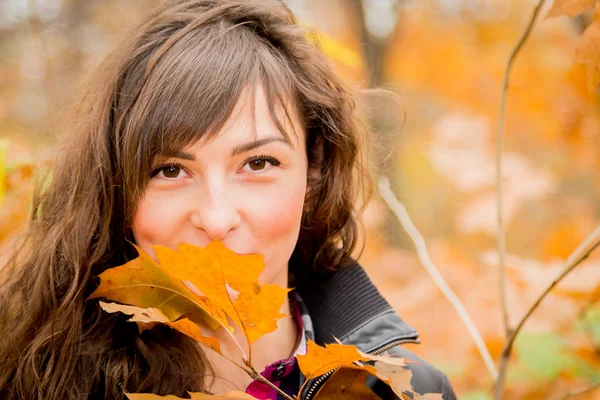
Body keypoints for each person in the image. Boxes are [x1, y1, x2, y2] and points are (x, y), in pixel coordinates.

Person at [0, 0, 456, 399]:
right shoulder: (26, 377)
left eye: (258, 163)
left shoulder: (410, 392)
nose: (216, 219)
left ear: (313, 171)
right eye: (170, 170)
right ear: (116, 189)